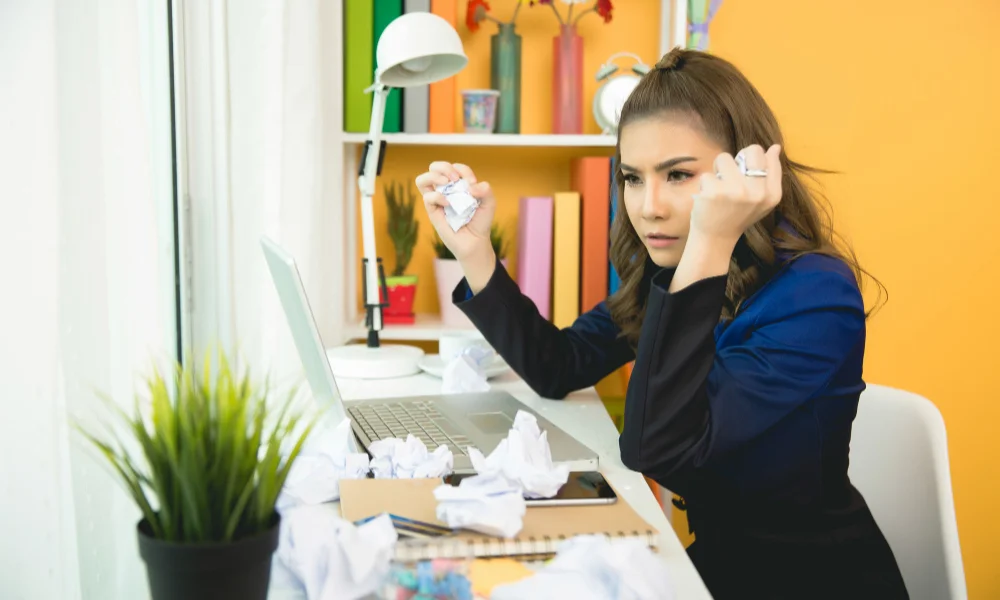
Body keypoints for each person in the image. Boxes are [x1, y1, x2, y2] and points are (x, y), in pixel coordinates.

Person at [414, 47, 907, 599]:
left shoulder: (816, 295)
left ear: (746, 171)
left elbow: (657, 448)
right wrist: (476, 252)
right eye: (631, 177)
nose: (648, 206)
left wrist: (712, 240)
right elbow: (557, 366)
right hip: (712, 568)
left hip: (808, 581)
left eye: (678, 175)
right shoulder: (671, 271)